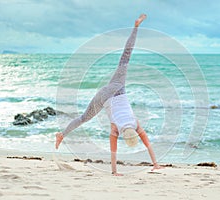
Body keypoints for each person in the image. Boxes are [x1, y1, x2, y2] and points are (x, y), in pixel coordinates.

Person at [55, 14, 163, 176]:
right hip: (104, 97)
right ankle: (61, 135)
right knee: (84, 118)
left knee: (125, 57)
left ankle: (136, 26)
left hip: (115, 88)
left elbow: (146, 144)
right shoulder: (117, 129)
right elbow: (115, 152)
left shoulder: (136, 123)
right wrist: (153, 165)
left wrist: (136, 27)